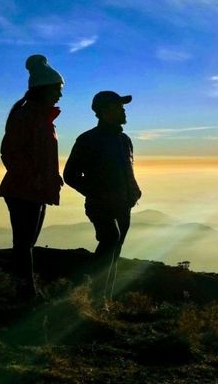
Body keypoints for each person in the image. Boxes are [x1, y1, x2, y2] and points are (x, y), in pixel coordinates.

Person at [63, 91, 141, 305]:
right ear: (105, 111)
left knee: (114, 252)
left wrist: (134, 191)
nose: (123, 110)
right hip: (100, 205)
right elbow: (70, 175)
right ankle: (91, 296)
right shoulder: (88, 139)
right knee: (110, 241)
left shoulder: (124, 140)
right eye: (119, 106)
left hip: (124, 205)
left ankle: (103, 300)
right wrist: (96, 192)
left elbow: (126, 170)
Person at [0, 54, 64, 299]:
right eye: (57, 89)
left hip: (35, 189)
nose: (60, 94)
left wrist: (52, 176)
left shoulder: (42, 119)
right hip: (23, 190)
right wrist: (34, 177)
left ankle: (23, 290)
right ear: (43, 89)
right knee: (24, 244)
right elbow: (10, 152)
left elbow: (35, 154)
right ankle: (24, 293)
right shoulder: (27, 117)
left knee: (27, 242)